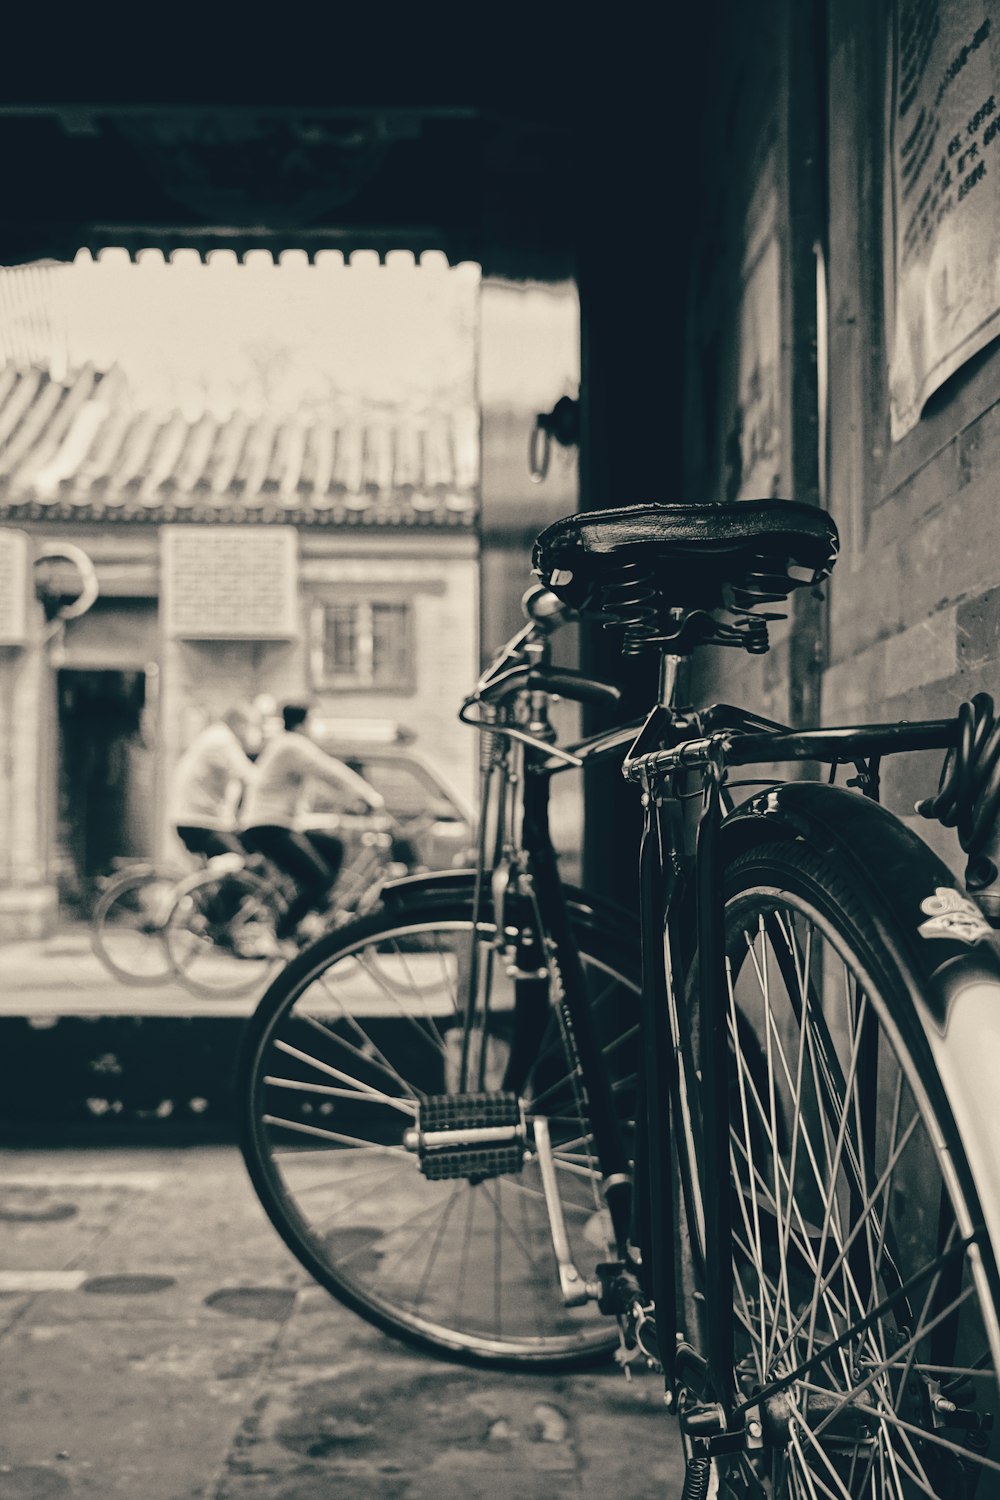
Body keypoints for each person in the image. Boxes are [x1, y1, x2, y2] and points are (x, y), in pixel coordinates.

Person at [241, 701, 385, 939]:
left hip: (280, 824)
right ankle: (282, 934)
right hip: (268, 826)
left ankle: (312, 911)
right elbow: (328, 770)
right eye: (314, 721)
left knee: (333, 847)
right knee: (317, 879)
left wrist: (353, 804)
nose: (317, 727)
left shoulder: (289, 747)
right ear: (301, 724)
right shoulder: (292, 745)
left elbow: (323, 787)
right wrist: (368, 795)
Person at [169, 704, 260, 861]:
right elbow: (250, 776)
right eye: (251, 726)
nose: (252, 732)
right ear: (239, 724)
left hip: (197, 819)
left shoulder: (215, 736)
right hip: (200, 822)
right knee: (242, 869)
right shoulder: (222, 739)